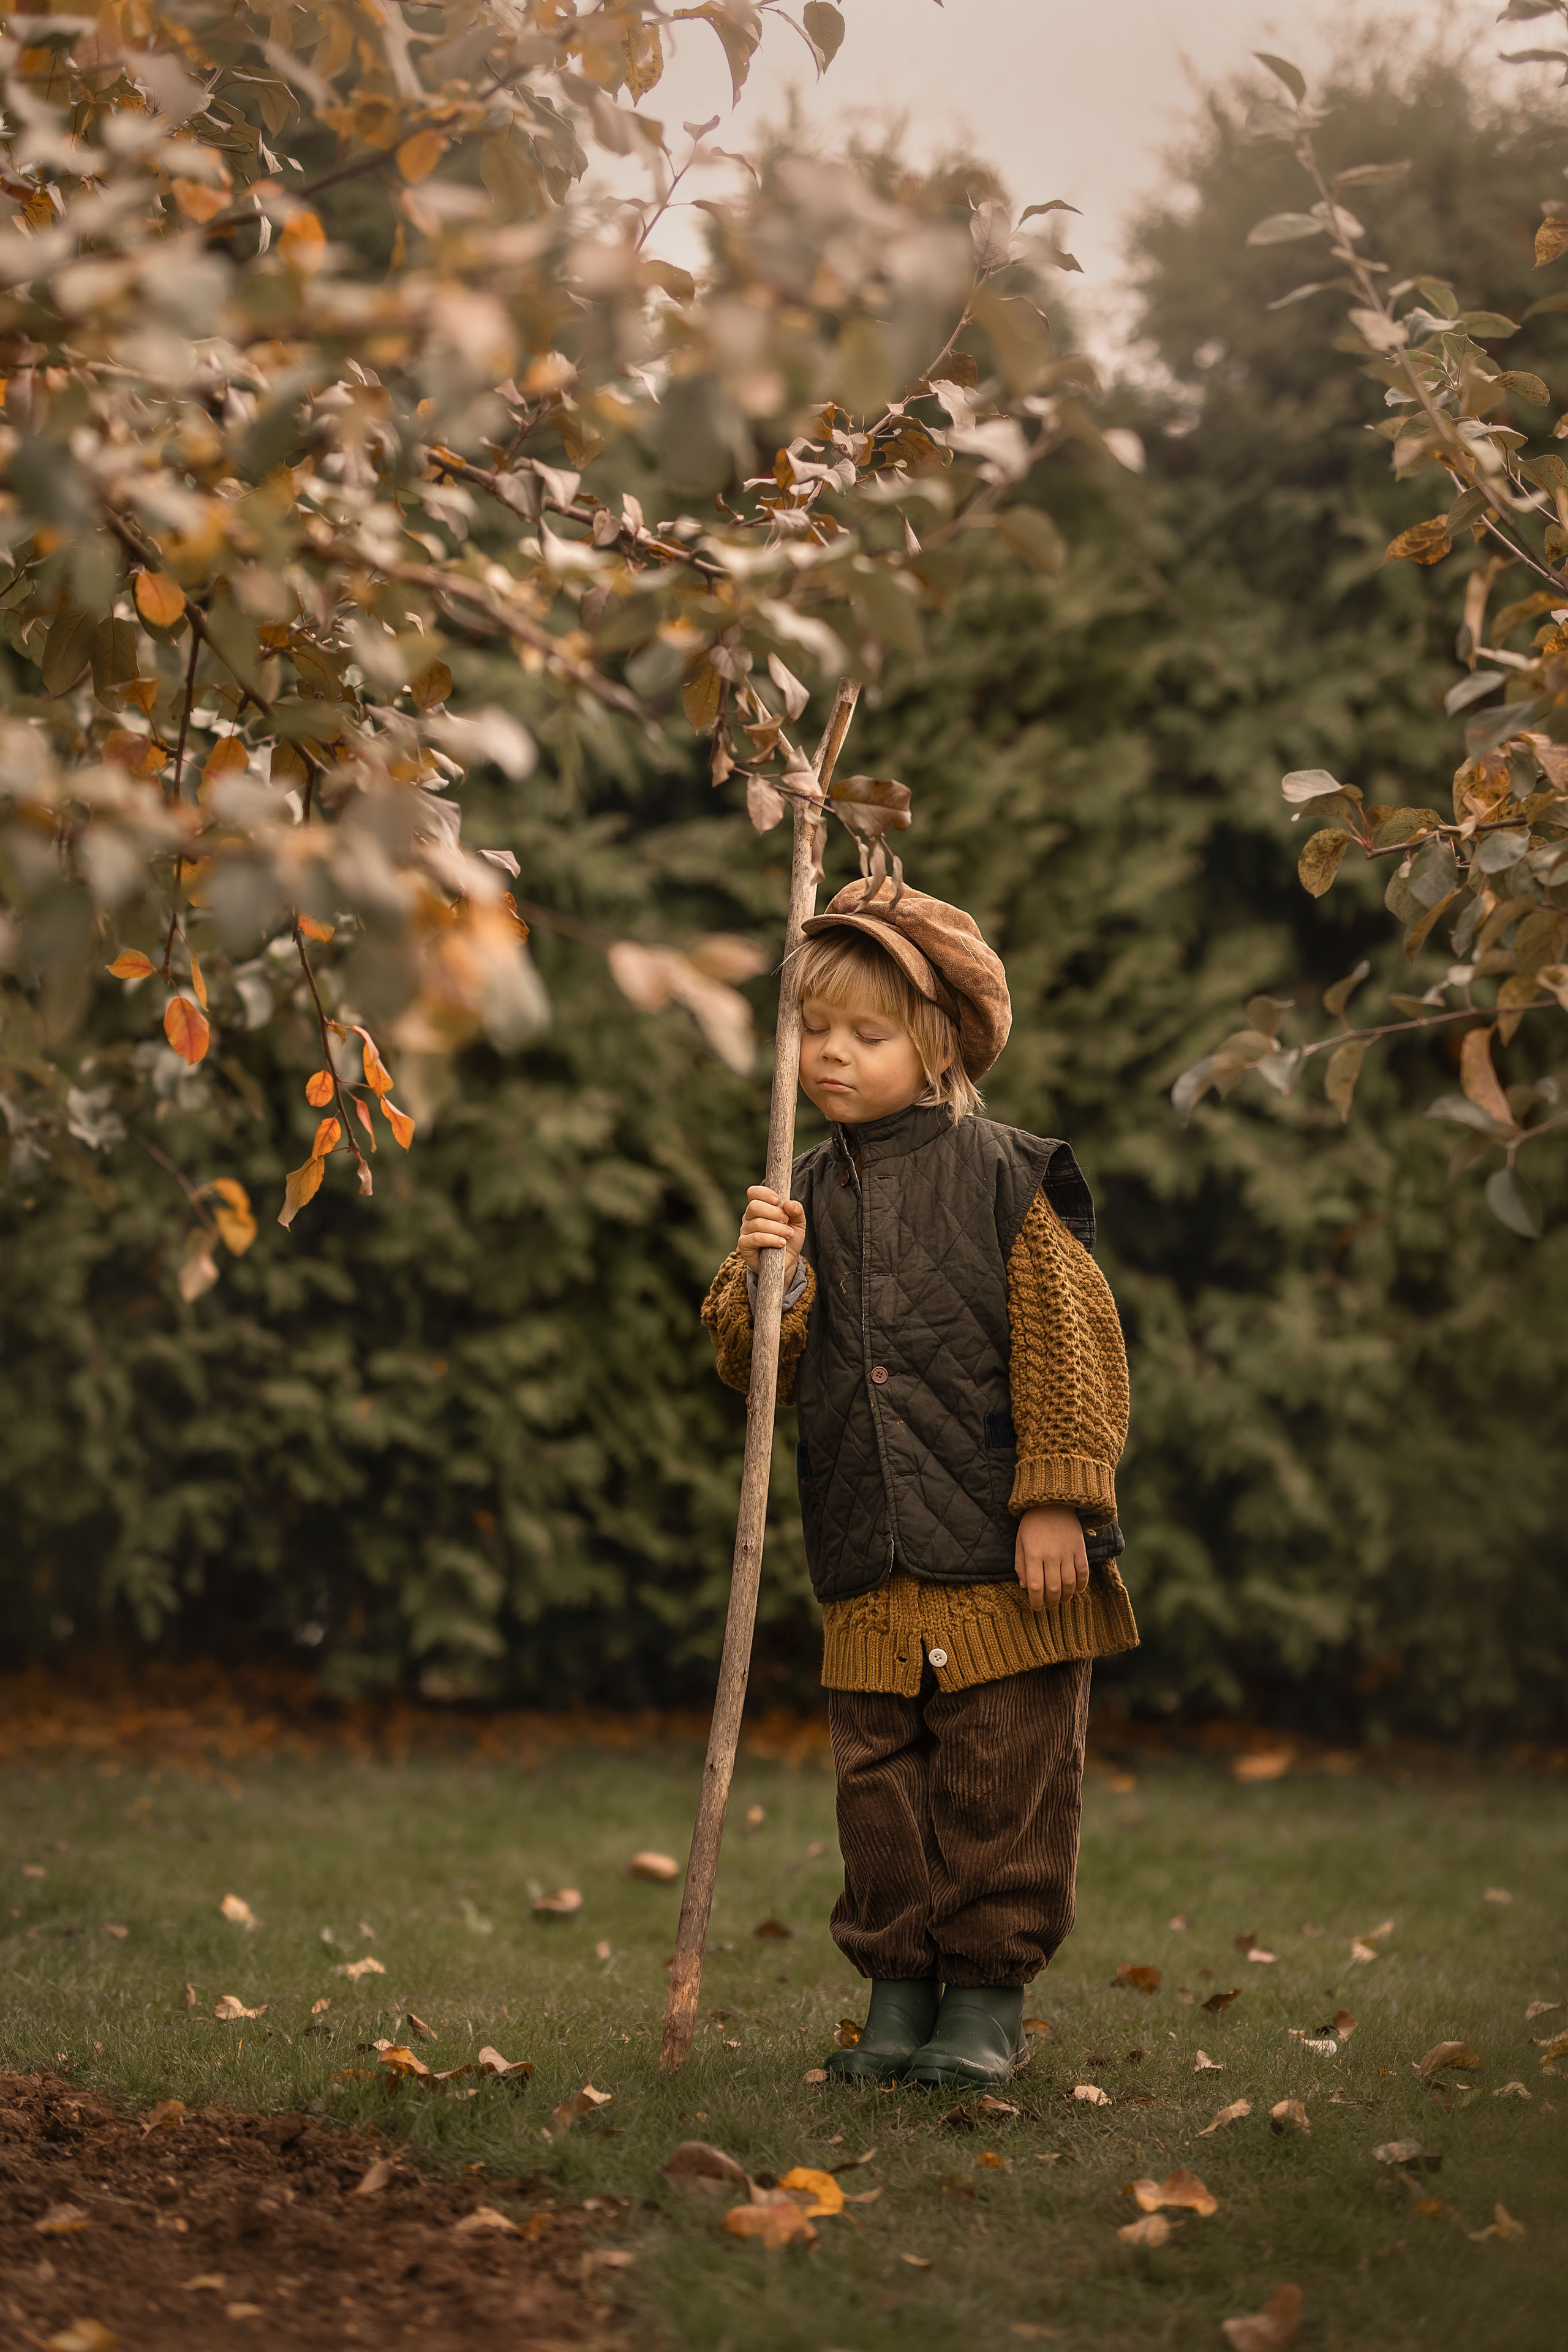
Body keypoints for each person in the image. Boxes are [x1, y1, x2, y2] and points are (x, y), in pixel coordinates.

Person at [701, 879, 1137, 2089]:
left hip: (1004, 1561)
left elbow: (1072, 1340)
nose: (831, 1053)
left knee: (997, 1779)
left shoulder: (1005, 1177)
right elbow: (752, 1375)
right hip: (868, 1557)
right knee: (878, 1788)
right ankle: (897, 1996)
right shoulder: (803, 1196)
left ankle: (982, 2006)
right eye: (812, 1028)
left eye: (866, 1033)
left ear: (936, 1045)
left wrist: (1056, 1497)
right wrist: (764, 1279)